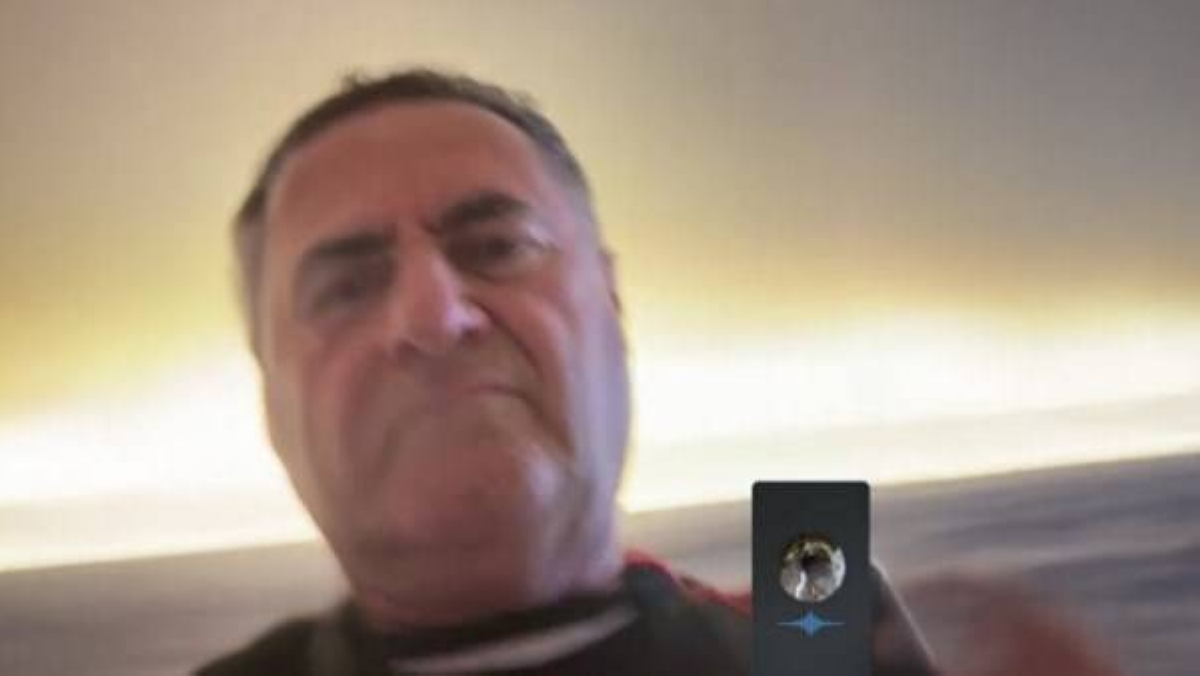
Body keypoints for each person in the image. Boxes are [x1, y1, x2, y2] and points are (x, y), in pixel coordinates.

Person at [197, 68, 937, 675]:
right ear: (269, 394)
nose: (433, 317)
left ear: (612, 304)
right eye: (346, 289)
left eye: (498, 247)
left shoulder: (837, 649)